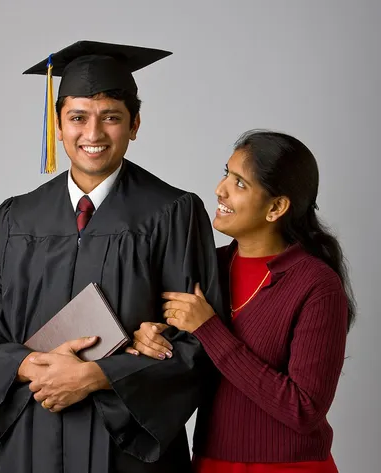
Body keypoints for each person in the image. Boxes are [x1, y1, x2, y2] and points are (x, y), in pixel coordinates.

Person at [0, 40, 223, 473]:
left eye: (111, 118)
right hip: (36, 429)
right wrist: (27, 366)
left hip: (125, 448)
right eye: (77, 117)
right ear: (58, 125)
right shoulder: (15, 218)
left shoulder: (173, 213)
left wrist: (98, 376)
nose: (93, 134)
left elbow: (198, 340)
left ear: (135, 124)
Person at [129, 130, 356, 473]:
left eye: (239, 183)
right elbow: (184, 362)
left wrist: (209, 328)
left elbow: (304, 410)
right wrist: (149, 339)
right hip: (208, 462)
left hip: (289, 467)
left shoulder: (316, 285)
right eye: (226, 174)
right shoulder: (207, 268)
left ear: (277, 207)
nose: (220, 190)